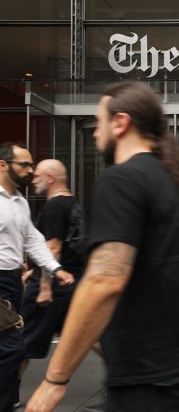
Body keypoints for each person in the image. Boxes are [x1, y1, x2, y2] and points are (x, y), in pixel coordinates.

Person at [25, 81, 179, 412]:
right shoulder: (172, 181)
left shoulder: (121, 180)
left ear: (120, 123)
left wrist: (54, 380)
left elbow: (104, 282)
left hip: (145, 372)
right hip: (177, 364)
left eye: (99, 123)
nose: (95, 133)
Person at [0, 143, 74, 412]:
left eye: (32, 165)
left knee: (11, 350)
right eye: (25, 165)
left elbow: (34, 241)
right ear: (3, 164)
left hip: (10, 284)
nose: (31, 170)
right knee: (12, 349)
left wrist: (56, 269)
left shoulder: (20, 202)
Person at [18, 160, 86, 403]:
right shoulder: (74, 204)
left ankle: (8, 392)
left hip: (53, 285)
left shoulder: (54, 207)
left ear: (50, 177)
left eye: (37, 175)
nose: (33, 179)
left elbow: (54, 248)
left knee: (20, 339)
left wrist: (44, 287)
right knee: (90, 337)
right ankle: (120, 384)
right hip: (72, 283)